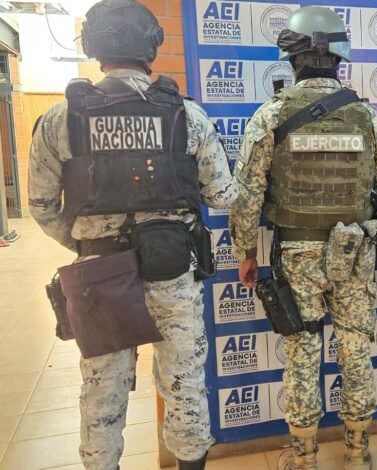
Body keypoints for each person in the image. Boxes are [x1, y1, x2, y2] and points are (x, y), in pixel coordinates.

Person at [27, 0, 237, 469]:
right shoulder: (187, 115)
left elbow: (41, 206)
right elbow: (223, 194)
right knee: (184, 384)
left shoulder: (61, 118)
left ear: (93, 46)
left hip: (99, 275)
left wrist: (87, 244)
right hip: (173, 270)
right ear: (151, 46)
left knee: (102, 390)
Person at [229, 6, 377, 470]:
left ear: (291, 60)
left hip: (296, 252)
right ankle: (358, 452)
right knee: (356, 349)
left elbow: (246, 196)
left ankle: (305, 456)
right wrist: (370, 233)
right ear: (340, 58)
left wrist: (246, 253)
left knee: (302, 351)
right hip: (355, 251)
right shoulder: (368, 118)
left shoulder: (271, 115)